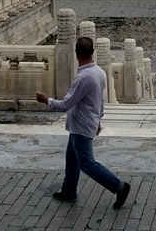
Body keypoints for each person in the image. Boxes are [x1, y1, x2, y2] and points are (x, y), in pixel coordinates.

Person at [36, 37, 131, 208]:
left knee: (87, 164)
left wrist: (46, 100)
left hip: (81, 126)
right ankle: (68, 190)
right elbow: (100, 101)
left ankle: (119, 187)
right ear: (92, 52)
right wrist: (98, 120)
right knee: (71, 159)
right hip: (84, 123)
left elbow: (65, 104)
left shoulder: (84, 77)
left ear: (76, 54)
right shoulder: (99, 72)